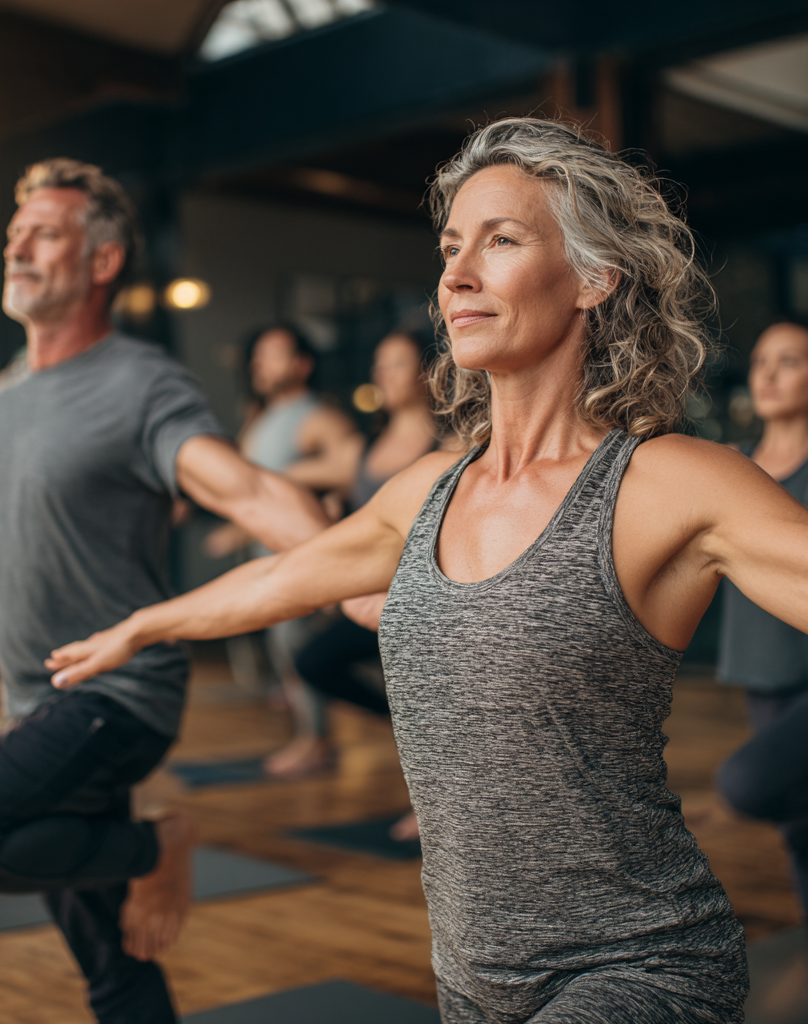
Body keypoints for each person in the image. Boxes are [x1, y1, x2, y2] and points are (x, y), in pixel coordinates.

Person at [43, 118, 797, 1022]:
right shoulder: (426, 491)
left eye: (501, 241)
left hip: (641, 964)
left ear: (594, 277)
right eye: (450, 248)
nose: (456, 275)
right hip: (473, 979)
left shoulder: (667, 482)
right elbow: (280, 579)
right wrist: (144, 625)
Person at [0, 158, 327, 1024]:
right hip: (36, 702)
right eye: (16, 235)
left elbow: (247, 490)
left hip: (116, 695)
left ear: (103, 260)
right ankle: (137, 886)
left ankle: (156, 843)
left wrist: (358, 574)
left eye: (44, 234)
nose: (18, 249)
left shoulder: (141, 383)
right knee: (112, 963)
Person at [280, 330, 440, 826]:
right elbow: (292, 478)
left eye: (396, 363)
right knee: (313, 661)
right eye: (379, 363)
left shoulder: (451, 444)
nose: (381, 374)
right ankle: (403, 726)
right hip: (370, 597)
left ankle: (434, 811)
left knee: (431, 696)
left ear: (427, 372)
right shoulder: (363, 445)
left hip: (426, 603)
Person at [205, 323, 358, 777]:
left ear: (302, 365)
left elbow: (352, 467)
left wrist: (295, 476)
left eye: (272, 354)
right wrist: (234, 530)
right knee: (285, 654)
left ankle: (317, 742)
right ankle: (309, 738)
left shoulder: (319, 417)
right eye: (258, 355)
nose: (259, 362)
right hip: (266, 558)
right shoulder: (260, 420)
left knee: (300, 652)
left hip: (303, 559)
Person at [715, 320, 808, 924]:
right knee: (799, 834)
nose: (769, 374)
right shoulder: (729, 468)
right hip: (761, 674)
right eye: (761, 361)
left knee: (749, 784)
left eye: (790, 361)